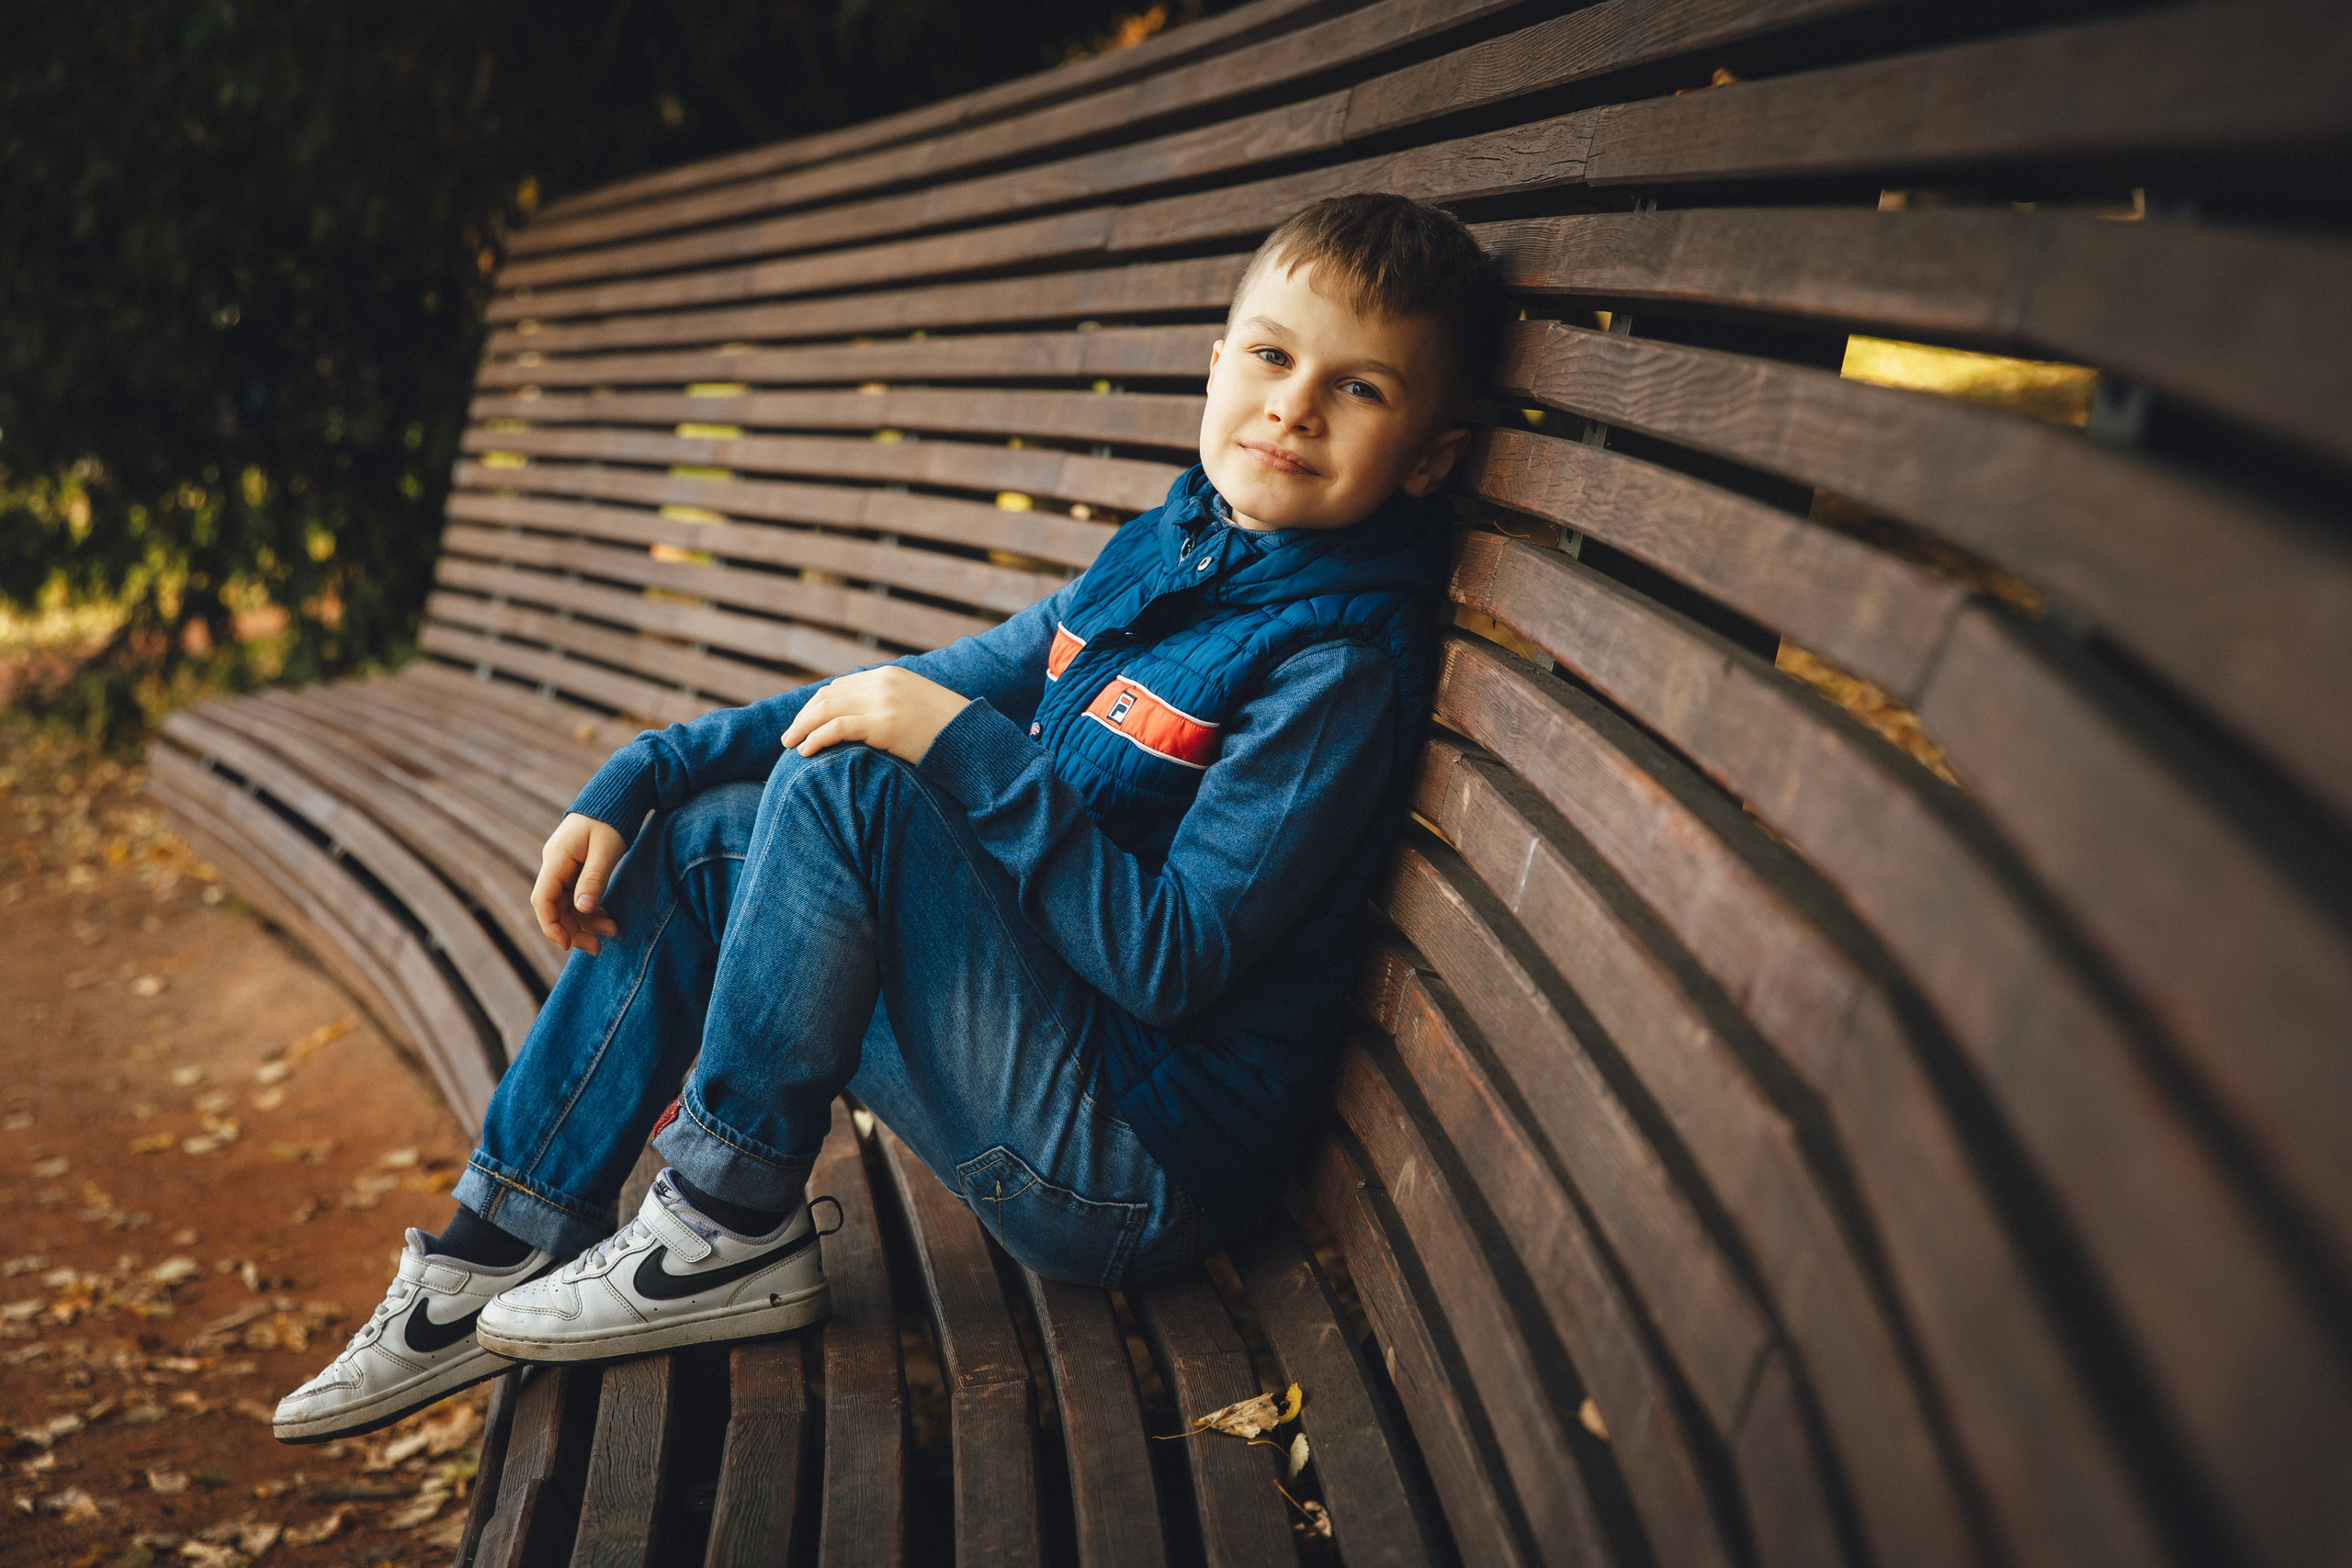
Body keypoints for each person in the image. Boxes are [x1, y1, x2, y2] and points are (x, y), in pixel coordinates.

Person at [272, 193, 1508, 1442]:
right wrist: (649, 766)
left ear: (1429, 456)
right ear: (1216, 362)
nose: (1295, 403)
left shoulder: (1334, 665)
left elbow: (1170, 961)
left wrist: (965, 752)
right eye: (1273, 354)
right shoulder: (1176, 545)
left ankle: (724, 1221)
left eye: (1359, 389)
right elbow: (934, 683)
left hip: (1131, 1167)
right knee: (710, 837)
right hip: (1056, 1054)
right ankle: (493, 1248)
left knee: (860, 784)